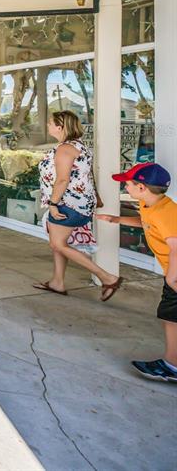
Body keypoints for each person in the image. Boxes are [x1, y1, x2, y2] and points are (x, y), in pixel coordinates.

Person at [96, 162, 177, 382]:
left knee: (170, 316)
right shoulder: (149, 206)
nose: (125, 188)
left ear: (142, 188)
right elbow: (146, 223)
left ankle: (171, 367)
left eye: (128, 184)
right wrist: (117, 220)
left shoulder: (166, 212)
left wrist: (171, 277)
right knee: (170, 316)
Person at [32, 110, 123, 300]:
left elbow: (63, 180)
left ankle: (107, 278)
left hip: (67, 204)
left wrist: (53, 204)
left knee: (58, 244)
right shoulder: (78, 146)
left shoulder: (65, 149)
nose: (48, 126)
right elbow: (86, 175)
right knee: (58, 244)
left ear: (61, 126)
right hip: (77, 203)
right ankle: (57, 282)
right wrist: (96, 197)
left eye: (50, 123)